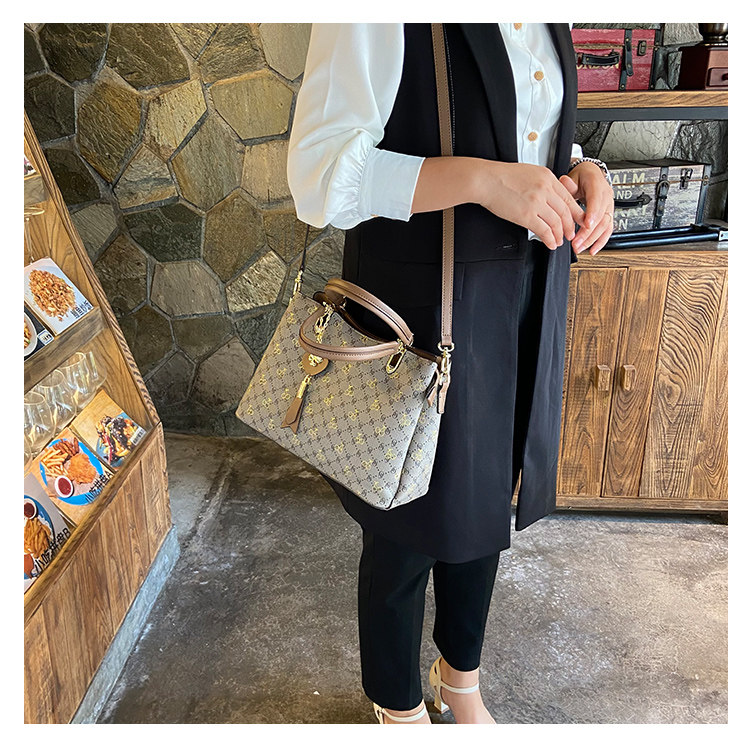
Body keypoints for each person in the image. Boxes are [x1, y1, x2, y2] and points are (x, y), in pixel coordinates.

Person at [287, 23, 614, 724]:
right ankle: (397, 703)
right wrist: (483, 180)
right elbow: (320, 178)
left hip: (521, 294)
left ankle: (458, 678)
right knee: (406, 520)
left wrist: (583, 169)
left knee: (486, 499)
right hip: (422, 306)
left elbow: (522, 121)